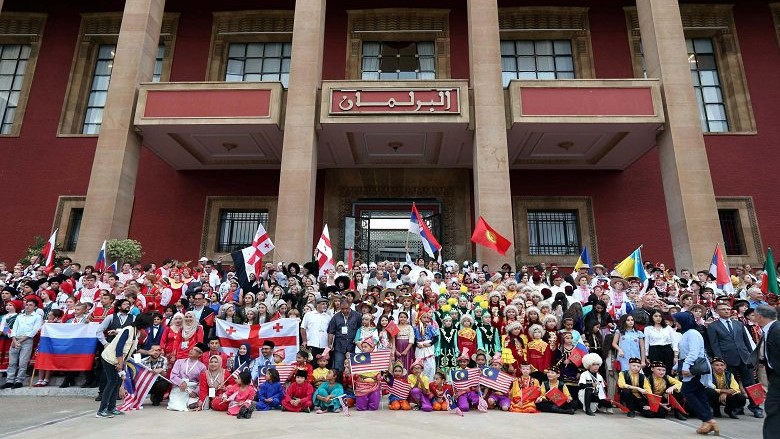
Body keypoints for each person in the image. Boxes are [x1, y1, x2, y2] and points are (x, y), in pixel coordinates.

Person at [706, 301, 763, 418]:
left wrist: (751, 357)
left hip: (744, 357)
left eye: (728, 309)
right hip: (727, 359)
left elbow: (747, 341)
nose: (727, 311)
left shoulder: (738, 324)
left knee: (751, 383)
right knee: (731, 384)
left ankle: (756, 407)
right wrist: (720, 361)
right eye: (723, 309)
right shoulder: (713, 326)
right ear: (717, 311)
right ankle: (736, 407)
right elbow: (714, 345)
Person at [97, 312, 152, 418]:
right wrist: (120, 364)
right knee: (112, 382)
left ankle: (111, 408)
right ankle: (101, 410)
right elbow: (119, 348)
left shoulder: (137, 332)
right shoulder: (129, 330)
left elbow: (132, 349)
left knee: (117, 383)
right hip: (110, 359)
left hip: (120, 360)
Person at [674, 311, 719, 436]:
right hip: (691, 367)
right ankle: (709, 420)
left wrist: (686, 367)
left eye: (677, 320)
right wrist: (677, 366)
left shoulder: (692, 333)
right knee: (699, 393)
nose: (675, 323)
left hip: (694, 369)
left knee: (687, 392)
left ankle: (707, 419)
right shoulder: (687, 333)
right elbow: (685, 353)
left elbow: (693, 353)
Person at [751, 304, 778, 439]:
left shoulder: (776, 330)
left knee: (773, 411)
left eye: (755, 315)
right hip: (774, 378)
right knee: (773, 410)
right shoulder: (770, 329)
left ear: (760, 317)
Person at [3, 299, 43, 389]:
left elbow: (34, 331)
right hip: (15, 339)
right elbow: (14, 328)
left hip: (26, 340)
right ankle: (9, 380)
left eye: (30, 305)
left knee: (23, 362)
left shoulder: (37, 317)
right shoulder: (19, 316)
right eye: (26, 304)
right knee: (12, 362)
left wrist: (19, 341)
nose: (27, 306)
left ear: (35, 307)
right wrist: (14, 340)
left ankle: (19, 381)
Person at [168, 343, 208, 412]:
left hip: (192, 388)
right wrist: (181, 382)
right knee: (174, 406)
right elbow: (173, 376)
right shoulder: (179, 362)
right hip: (179, 387)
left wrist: (195, 392)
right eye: (192, 349)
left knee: (192, 405)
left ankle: (192, 402)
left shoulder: (202, 367)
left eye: (195, 350)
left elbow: (202, 382)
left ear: (199, 354)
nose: (191, 351)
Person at [327, 297, 361, 372]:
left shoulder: (357, 316)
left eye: (347, 308)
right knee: (338, 366)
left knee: (353, 366)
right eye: (342, 309)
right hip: (339, 345)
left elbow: (360, 329)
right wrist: (329, 344)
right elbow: (331, 331)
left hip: (353, 345)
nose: (345, 310)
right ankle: (339, 382)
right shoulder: (335, 317)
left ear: (350, 306)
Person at [300, 298, 330, 364]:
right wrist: (304, 341)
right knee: (311, 363)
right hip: (311, 344)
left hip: (324, 345)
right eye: (323, 304)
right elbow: (303, 328)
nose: (325, 306)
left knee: (323, 365)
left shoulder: (328, 317)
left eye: (326, 304)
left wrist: (329, 345)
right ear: (317, 305)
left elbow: (330, 331)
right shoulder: (308, 315)